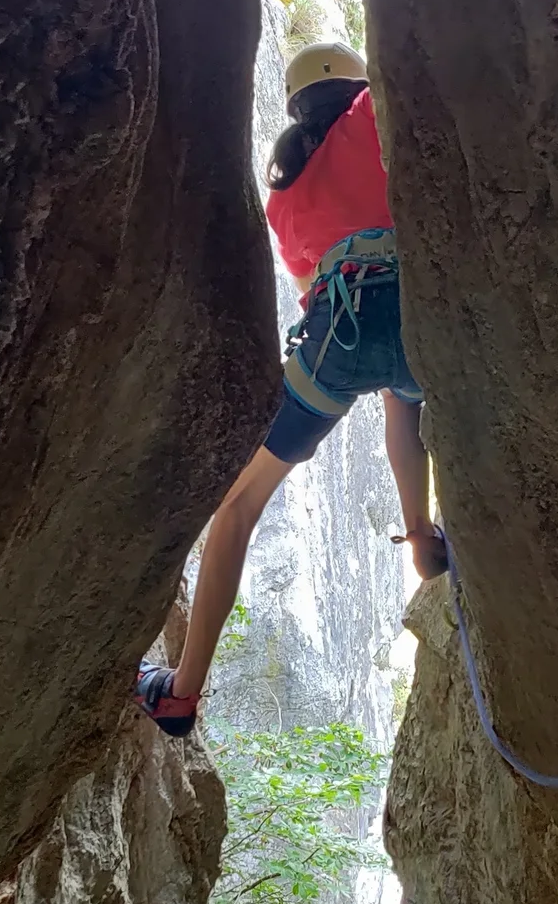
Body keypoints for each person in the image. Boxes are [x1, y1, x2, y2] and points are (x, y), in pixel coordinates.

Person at [136, 40, 445, 740]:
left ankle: (180, 694)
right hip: (424, 323)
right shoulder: (373, 110)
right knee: (408, 404)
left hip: (337, 338)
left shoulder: (286, 197)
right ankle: (425, 544)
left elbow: (309, 289)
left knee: (240, 505)